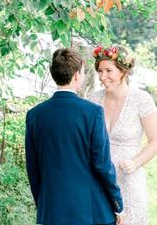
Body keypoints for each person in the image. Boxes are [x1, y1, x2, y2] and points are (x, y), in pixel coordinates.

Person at [25, 48, 124, 225]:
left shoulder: (34, 115)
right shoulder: (93, 112)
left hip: (52, 210)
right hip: (91, 211)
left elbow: (33, 168)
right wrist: (117, 203)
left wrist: (43, 206)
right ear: (77, 75)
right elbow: (102, 164)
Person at [89, 45, 157, 225]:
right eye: (100, 71)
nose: (102, 76)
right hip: (99, 179)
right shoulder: (93, 100)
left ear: (123, 71)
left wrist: (136, 162)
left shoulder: (141, 99)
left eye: (108, 70)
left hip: (128, 177)